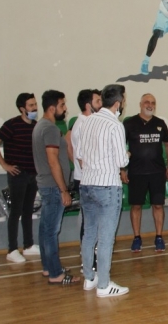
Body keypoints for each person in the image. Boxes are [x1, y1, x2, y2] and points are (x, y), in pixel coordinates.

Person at [77, 84, 130, 297]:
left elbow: (80, 155)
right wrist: (127, 154)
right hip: (107, 185)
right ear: (118, 103)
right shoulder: (115, 125)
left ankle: (89, 279)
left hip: (86, 184)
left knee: (89, 234)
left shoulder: (88, 121)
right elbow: (121, 161)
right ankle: (104, 285)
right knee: (106, 238)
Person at [32, 90, 79, 284]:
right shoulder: (49, 129)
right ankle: (55, 273)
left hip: (47, 185)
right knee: (51, 231)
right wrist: (63, 190)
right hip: (53, 187)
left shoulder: (40, 126)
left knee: (45, 228)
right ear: (52, 108)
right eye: (62, 105)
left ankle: (48, 267)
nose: (65, 108)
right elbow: (53, 161)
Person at [0, 93, 41, 263]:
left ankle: (28, 245)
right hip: (18, 175)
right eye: (31, 105)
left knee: (28, 210)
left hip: (33, 174)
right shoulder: (11, 125)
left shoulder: (36, 126)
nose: (35, 108)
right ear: (22, 108)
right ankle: (12, 249)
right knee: (16, 211)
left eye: (35, 104)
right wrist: (5, 165)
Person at [122, 94, 168, 252]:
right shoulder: (129, 123)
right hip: (136, 172)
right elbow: (120, 146)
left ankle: (159, 237)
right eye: (147, 102)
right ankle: (137, 238)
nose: (150, 105)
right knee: (136, 206)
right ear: (140, 104)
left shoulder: (160, 123)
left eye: (153, 102)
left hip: (157, 172)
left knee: (158, 205)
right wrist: (122, 169)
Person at [65, 89, 102, 271]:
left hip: (90, 178)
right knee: (88, 221)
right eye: (97, 101)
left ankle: (90, 256)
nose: (101, 104)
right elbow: (82, 157)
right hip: (87, 179)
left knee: (90, 219)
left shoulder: (86, 123)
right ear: (88, 105)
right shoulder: (83, 125)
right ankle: (87, 262)